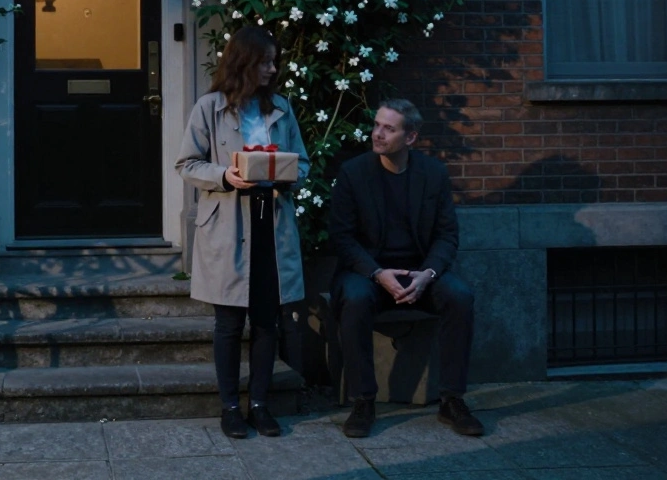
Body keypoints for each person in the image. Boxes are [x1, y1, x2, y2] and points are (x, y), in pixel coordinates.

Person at [176, 26, 310, 439]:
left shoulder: (282, 109)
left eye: (274, 61)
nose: (272, 69)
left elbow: (303, 165)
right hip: (228, 222)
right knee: (229, 323)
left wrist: (287, 175)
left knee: (268, 320)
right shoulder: (209, 108)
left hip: (272, 221)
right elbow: (186, 164)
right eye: (265, 61)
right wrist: (227, 175)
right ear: (244, 62)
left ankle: (261, 405)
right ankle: (230, 407)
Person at [329, 99, 483, 438]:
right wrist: (376, 273)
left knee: (460, 296)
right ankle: (363, 401)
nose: (377, 134)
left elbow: (446, 235)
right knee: (354, 299)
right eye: (377, 125)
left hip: (418, 274)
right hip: (367, 274)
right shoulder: (354, 173)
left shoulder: (433, 174)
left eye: (389, 128)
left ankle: (452, 400)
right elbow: (342, 237)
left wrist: (428, 274)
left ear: (410, 137)